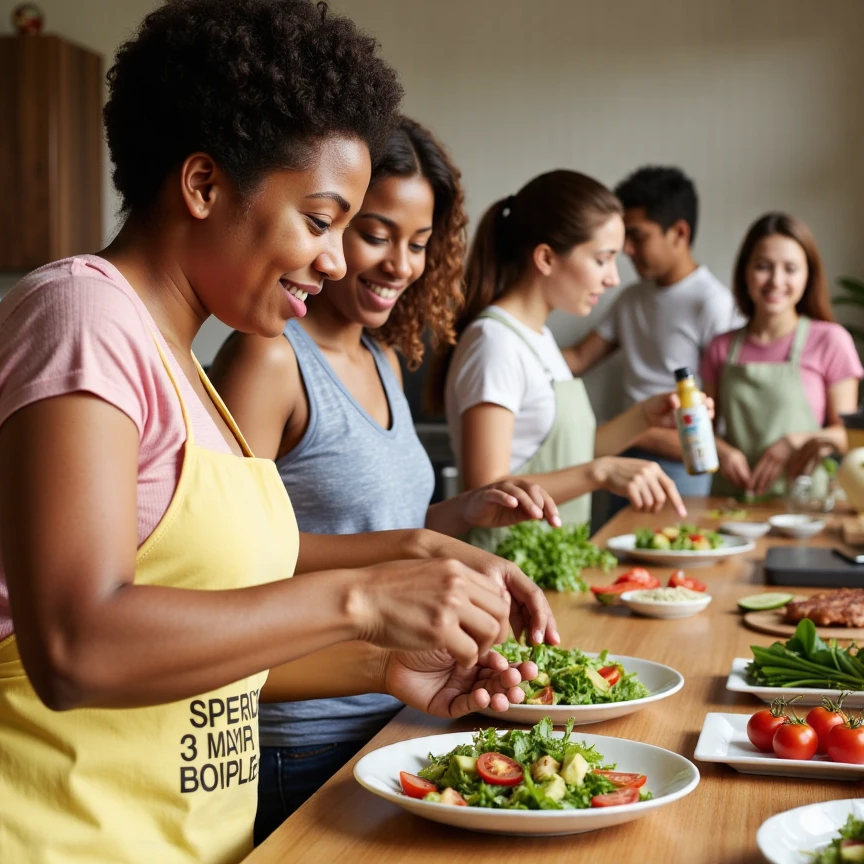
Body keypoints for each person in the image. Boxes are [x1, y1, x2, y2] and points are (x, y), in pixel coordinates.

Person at [0, 4, 552, 863]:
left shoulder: (183, 361)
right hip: (1, 820)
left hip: (128, 825)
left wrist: (387, 668)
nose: (336, 261)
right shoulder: (81, 318)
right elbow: (77, 646)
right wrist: (363, 599)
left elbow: (202, 638)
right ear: (205, 185)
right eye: (322, 220)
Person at [208, 116, 559, 842]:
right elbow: (227, 560)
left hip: (399, 709)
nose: (400, 263)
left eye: (420, 244)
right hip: (299, 739)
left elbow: (365, 531)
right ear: (328, 231)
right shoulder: (268, 360)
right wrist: (418, 546)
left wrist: (458, 514)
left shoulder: (384, 359)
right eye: (376, 233)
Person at [430, 169, 695, 550]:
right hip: (502, 575)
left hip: (547, 569)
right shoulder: (495, 344)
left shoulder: (539, 337)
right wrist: (600, 473)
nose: (613, 279)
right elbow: (486, 494)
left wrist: (645, 416)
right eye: (603, 259)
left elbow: (571, 452)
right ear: (546, 258)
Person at [562, 166, 741, 508]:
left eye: (638, 236)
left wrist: (640, 430)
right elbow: (578, 359)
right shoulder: (631, 298)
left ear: (679, 233)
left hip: (682, 463)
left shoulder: (713, 305)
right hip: (622, 458)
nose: (626, 249)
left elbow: (712, 421)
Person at [699, 212, 863, 498]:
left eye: (791, 269)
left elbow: (848, 435)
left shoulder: (831, 341)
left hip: (805, 506)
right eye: (763, 267)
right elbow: (701, 432)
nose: (776, 280)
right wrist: (722, 452)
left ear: (808, 276)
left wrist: (796, 441)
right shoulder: (721, 347)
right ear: (744, 272)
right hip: (732, 503)